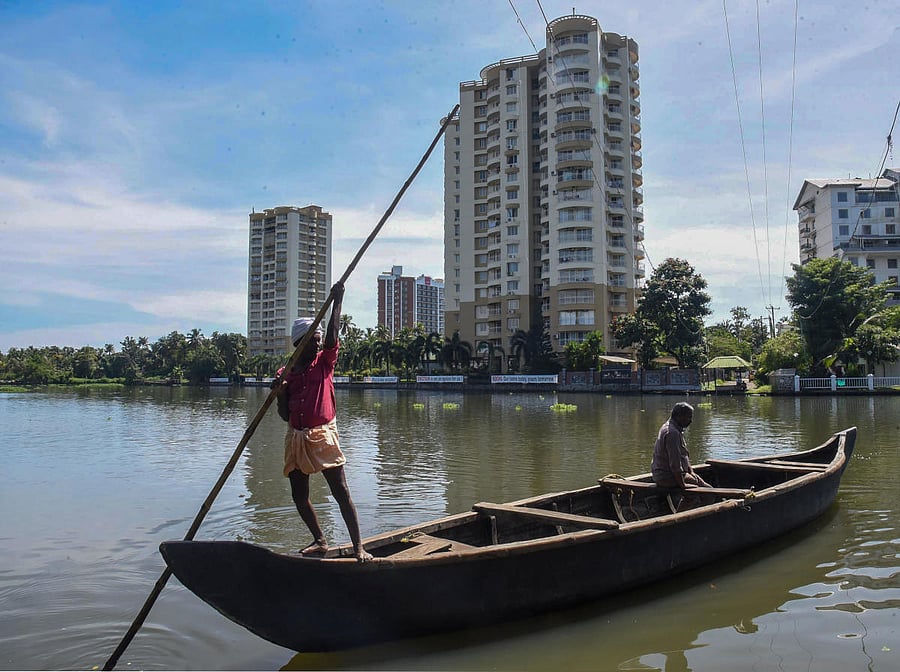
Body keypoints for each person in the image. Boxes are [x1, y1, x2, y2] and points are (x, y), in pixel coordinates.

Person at [275, 282, 372, 562]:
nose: (318, 343)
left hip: (323, 433)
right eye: (312, 340)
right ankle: (319, 540)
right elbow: (284, 414)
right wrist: (280, 393)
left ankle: (358, 547)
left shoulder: (324, 363)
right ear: (299, 344)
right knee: (298, 495)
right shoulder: (287, 372)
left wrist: (336, 302)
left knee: (340, 491)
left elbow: (331, 338)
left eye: (318, 339)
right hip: (296, 435)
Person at [650, 402, 711, 490]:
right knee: (708, 493)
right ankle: (690, 501)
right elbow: (675, 465)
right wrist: (682, 485)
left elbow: (684, 455)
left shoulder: (674, 428)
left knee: (705, 486)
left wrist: (691, 472)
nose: (691, 420)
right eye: (688, 417)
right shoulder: (672, 433)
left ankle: (687, 501)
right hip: (667, 476)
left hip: (667, 474)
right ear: (679, 416)